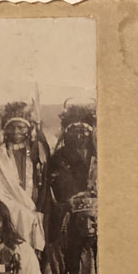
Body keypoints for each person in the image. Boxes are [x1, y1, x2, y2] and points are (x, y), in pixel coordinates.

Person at [0, 101, 48, 252]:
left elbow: (42, 181)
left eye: (21, 127)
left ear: (28, 130)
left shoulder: (36, 152)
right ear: (5, 130)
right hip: (8, 208)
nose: (16, 131)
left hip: (32, 205)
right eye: (11, 127)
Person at [44, 101, 97, 241]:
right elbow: (60, 184)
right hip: (70, 211)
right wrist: (78, 197)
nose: (80, 135)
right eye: (75, 131)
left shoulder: (97, 154)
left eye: (84, 130)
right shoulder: (59, 157)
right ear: (67, 133)